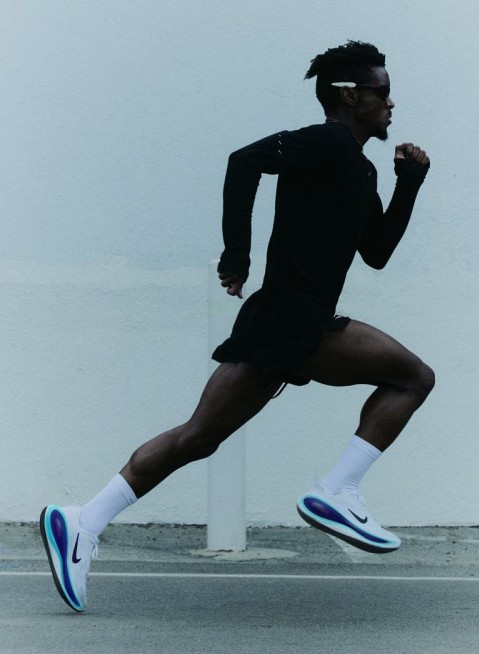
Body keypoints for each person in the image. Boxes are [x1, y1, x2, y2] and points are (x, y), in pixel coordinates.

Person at [40, 41, 434, 612]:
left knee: (199, 437)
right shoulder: (324, 142)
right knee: (414, 378)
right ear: (350, 96)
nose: (391, 103)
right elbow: (244, 160)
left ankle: (82, 521)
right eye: (382, 92)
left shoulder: (358, 167)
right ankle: (336, 490)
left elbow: (376, 252)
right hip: (298, 317)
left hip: (279, 320)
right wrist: (236, 254)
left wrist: (409, 183)